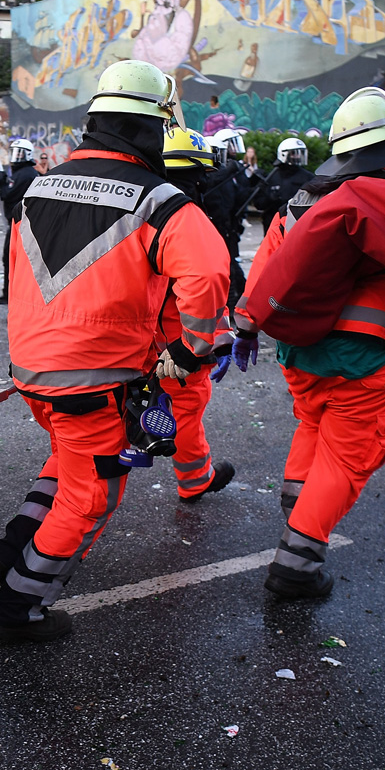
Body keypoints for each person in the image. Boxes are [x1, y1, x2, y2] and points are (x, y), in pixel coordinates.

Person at [0, 60, 229, 643]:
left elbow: (18, 275)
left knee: (68, 463)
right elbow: (210, 271)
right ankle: (21, 608)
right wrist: (192, 353)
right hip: (95, 377)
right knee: (93, 492)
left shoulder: (37, 187)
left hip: (34, 371)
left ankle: (9, 551)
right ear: (152, 127)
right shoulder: (159, 199)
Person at [233, 87, 385, 598]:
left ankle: (297, 514)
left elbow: (269, 274)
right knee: (349, 453)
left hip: (299, 349)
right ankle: (297, 566)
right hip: (367, 353)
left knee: (314, 425)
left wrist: (248, 325)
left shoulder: (298, 203)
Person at [159, 126, 238, 501]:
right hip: (177, 333)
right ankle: (195, 479)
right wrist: (205, 342)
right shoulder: (188, 217)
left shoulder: (144, 207)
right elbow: (204, 286)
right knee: (186, 406)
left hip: (142, 330)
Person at [204, 128, 256, 314]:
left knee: (231, 266)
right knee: (228, 268)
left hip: (229, 228)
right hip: (212, 228)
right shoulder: (208, 175)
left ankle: (238, 304)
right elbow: (210, 185)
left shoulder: (233, 171)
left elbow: (236, 198)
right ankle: (234, 304)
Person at [0, 137, 40, 305]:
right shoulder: (24, 172)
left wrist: (1, 182)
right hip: (21, 220)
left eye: (20, 153)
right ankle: (10, 292)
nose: (16, 157)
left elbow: (7, 195)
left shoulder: (25, 173)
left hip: (21, 222)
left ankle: (10, 293)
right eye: (15, 153)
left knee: (11, 258)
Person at [257, 137, 314, 232]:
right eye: (293, 153)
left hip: (298, 225)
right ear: (283, 154)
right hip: (274, 226)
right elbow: (259, 204)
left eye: (299, 153)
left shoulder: (308, 177)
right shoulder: (272, 176)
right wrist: (270, 198)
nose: (297, 157)